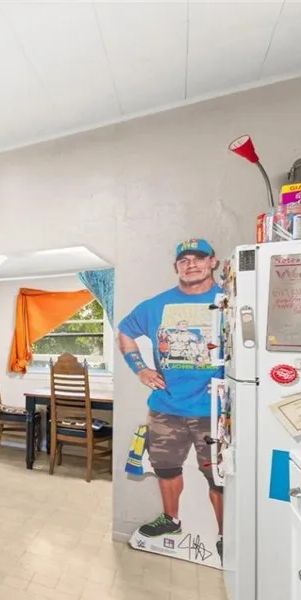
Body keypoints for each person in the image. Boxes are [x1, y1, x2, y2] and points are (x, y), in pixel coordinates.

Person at [118, 238, 224, 560]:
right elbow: (125, 330)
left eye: (198, 258)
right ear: (176, 266)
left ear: (212, 262)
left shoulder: (228, 300)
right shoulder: (156, 305)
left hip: (213, 409)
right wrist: (141, 369)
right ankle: (171, 520)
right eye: (184, 260)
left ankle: (225, 534)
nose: (191, 265)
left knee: (218, 476)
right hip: (166, 408)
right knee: (165, 468)